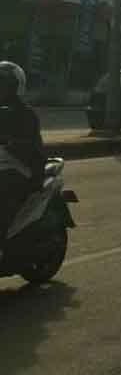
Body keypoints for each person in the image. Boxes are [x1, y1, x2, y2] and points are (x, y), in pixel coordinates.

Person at [0, 62, 44, 245]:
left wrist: (12, 142)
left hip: (23, 167)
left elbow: (32, 145)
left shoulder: (25, 114)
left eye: (4, 84)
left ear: (15, 87)